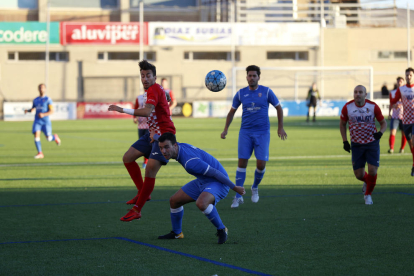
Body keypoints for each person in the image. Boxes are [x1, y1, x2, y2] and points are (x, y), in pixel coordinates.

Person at [108, 60, 176, 221]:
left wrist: (122, 110)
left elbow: (146, 112)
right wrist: (153, 129)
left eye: (148, 76)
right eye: (142, 76)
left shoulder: (153, 89)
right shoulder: (155, 89)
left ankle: (137, 209)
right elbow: (158, 109)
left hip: (164, 136)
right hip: (152, 133)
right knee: (128, 158)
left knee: (150, 170)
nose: (145, 79)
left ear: (155, 77)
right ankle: (142, 193)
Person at [154, 132, 245, 244]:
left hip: (218, 182)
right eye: (161, 148)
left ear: (175, 145)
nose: (163, 151)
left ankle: (222, 229)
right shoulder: (179, 147)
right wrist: (154, 136)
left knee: (202, 203)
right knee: (174, 201)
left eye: (166, 147)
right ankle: (177, 233)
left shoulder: (190, 162)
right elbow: (164, 140)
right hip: (203, 180)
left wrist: (234, 187)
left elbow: (215, 172)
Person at [221, 65, 287, 208]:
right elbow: (231, 112)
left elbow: (279, 108)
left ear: (258, 77)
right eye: (249, 76)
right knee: (242, 163)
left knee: (261, 164)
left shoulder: (267, 91)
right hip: (245, 132)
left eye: (254, 76)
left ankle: (255, 187)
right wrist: (226, 129)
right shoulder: (240, 93)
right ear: (246, 77)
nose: (251, 78)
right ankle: (238, 196)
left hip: (262, 133)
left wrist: (280, 127)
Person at [340, 85, 387, 205]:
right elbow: (342, 124)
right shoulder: (347, 107)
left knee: (372, 170)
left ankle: (368, 195)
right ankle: (367, 181)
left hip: (372, 143)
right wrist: (345, 141)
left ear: (365, 95)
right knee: (358, 175)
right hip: (356, 145)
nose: (357, 94)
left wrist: (380, 134)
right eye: (355, 92)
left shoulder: (373, 107)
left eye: (360, 92)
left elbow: (383, 123)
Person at [24, 84, 61, 159]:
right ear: (38, 89)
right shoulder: (35, 100)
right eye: (40, 88)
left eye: (43, 88)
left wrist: (44, 114)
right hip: (37, 121)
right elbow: (33, 109)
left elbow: (52, 111)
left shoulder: (48, 99)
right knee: (36, 136)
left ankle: (55, 137)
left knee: (49, 138)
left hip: (45, 122)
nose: (41, 89)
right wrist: (27, 110)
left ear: (45, 89)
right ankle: (40, 153)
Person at [390, 68, 414, 176]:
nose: (408, 77)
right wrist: (394, 105)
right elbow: (394, 101)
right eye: (407, 75)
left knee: (413, 141)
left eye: (410, 75)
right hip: (406, 120)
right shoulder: (401, 89)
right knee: (411, 146)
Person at [388, 77, 407, 154]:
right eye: (398, 81)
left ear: (403, 82)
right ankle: (391, 148)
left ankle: (402, 148)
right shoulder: (392, 93)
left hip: (404, 116)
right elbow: (391, 103)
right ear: (396, 82)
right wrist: (391, 110)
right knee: (393, 132)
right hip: (395, 116)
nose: (399, 82)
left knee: (404, 133)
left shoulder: (406, 91)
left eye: (401, 81)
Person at [133, 93, 149, 169]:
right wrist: (134, 117)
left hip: (149, 125)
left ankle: (146, 162)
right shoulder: (139, 97)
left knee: (147, 144)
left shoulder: (153, 97)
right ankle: (146, 161)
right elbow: (135, 108)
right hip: (140, 125)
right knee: (142, 144)